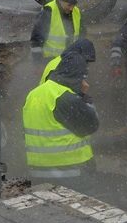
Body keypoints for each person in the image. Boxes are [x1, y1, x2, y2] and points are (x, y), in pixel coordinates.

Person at [21, 50, 99, 187]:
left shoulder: (33, 94)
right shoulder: (65, 97)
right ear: (77, 76)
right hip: (70, 172)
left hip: (38, 171)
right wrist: (84, 97)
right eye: (83, 77)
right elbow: (92, 125)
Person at [30, 0, 81, 64]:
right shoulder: (48, 11)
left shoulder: (76, 11)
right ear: (61, 0)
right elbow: (36, 39)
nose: (71, 8)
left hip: (68, 59)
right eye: (69, 5)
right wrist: (37, 62)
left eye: (74, 5)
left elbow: (81, 34)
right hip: (49, 60)